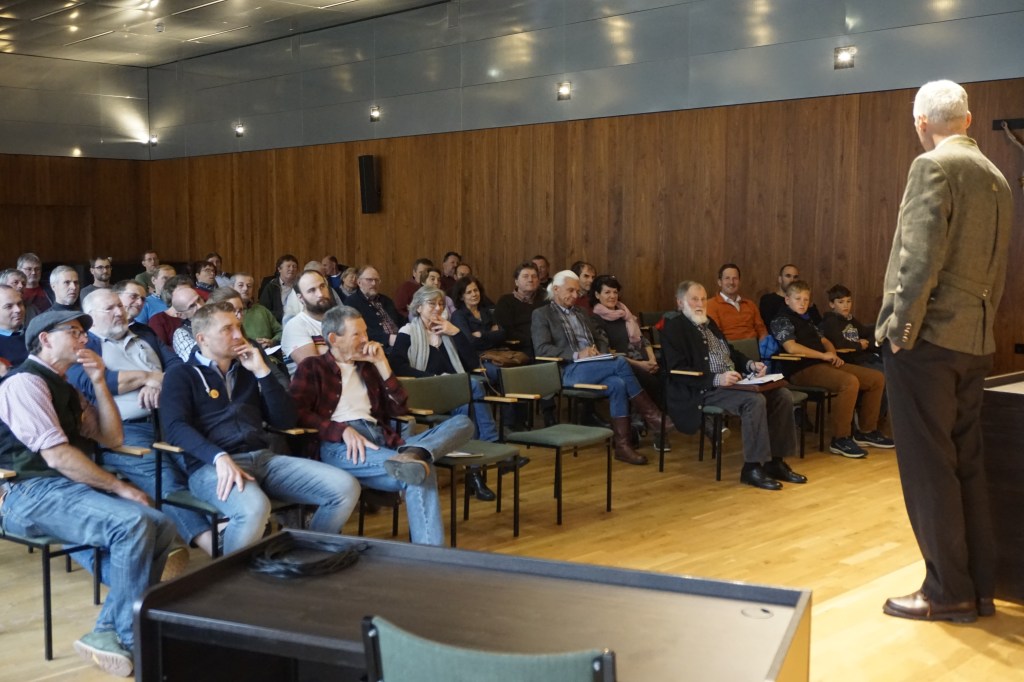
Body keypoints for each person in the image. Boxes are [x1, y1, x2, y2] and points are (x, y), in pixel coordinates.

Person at [877, 80, 1012, 623]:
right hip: (975, 343)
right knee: (966, 465)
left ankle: (945, 591)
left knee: (929, 468)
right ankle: (978, 589)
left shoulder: (931, 167)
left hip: (927, 343)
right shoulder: (996, 175)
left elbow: (918, 259)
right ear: (968, 120)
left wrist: (899, 331)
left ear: (921, 123)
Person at [0, 309, 175, 677]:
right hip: (24, 492)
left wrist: (99, 382)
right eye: (75, 332)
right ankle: (129, 635)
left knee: (160, 524)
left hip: (62, 487)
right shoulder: (24, 383)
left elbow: (111, 437)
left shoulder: (66, 386)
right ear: (45, 339)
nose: (84, 339)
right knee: (132, 525)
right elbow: (57, 456)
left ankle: (111, 630)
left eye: (83, 333)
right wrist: (119, 487)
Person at [159, 302, 361, 554]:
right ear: (202, 339)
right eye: (227, 329)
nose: (239, 335)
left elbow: (285, 421)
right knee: (254, 508)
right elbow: (175, 427)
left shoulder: (247, 371)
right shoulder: (181, 375)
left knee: (345, 487)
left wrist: (263, 373)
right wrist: (218, 457)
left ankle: (308, 557)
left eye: (239, 327)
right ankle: (234, 576)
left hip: (263, 459)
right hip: (211, 467)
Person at [291, 306, 475, 545]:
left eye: (365, 332)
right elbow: (297, 413)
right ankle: (431, 555)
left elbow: (399, 409)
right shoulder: (313, 367)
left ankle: (413, 454)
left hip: (383, 441)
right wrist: (340, 430)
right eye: (357, 334)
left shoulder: (368, 367)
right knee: (420, 472)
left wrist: (382, 364)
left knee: (463, 423)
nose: (365, 339)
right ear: (334, 339)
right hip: (342, 446)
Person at [71, 290, 214, 558]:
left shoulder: (144, 334)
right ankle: (216, 545)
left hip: (169, 421)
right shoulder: (85, 346)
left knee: (201, 466)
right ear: (90, 318)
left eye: (119, 305)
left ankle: (231, 527)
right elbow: (93, 383)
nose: (119, 311)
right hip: (122, 432)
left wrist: (157, 384)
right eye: (109, 308)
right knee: (166, 480)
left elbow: (177, 366)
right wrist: (148, 377)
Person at [662, 282, 806, 490]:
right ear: (680, 302)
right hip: (703, 389)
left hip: (733, 383)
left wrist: (750, 364)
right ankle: (752, 467)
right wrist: (716, 379)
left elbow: (730, 353)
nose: (700, 304)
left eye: (703, 299)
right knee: (754, 401)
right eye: (694, 299)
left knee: (782, 395)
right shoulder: (674, 328)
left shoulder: (708, 322)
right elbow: (676, 370)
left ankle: (776, 462)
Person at [532, 270, 673, 465]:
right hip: (567, 369)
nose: (575, 295)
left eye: (577, 291)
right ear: (556, 289)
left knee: (618, 384)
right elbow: (542, 349)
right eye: (570, 290)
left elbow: (600, 338)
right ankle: (653, 416)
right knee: (621, 362)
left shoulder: (581, 312)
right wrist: (577, 354)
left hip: (594, 364)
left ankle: (623, 446)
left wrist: (601, 353)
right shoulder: (542, 314)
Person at [391, 286, 500, 500]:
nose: (438, 308)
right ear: (418, 307)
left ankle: (475, 475)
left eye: (441, 304)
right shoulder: (408, 332)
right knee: (473, 387)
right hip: (426, 392)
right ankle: (491, 444)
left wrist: (455, 333)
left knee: (467, 403)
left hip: (453, 392)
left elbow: (472, 363)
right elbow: (397, 366)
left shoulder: (447, 331)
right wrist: (432, 378)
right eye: (432, 304)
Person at [769, 280, 892, 457]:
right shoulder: (781, 319)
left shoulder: (807, 318)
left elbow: (824, 340)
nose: (802, 303)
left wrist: (832, 354)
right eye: (798, 299)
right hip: (800, 369)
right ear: (787, 300)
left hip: (824, 363)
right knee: (849, 382)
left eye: (806, 299)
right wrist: (823, 355)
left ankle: (866, 431)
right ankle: (840, 439)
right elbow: (791, 347)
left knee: (877, 378)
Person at [588, 274, 663, 439]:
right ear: (597, 295)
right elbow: (607, 353)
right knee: (650, 380)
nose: (612, 296)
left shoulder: (625, 314)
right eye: (607, 292)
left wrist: (652, 359)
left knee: (665, 373)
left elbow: (644, 340)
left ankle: (648, 424)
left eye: (615, 292)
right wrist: (641, 365)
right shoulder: (595, 320)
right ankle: (656, 429)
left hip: (643, 359)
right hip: (622, 363)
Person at [281, 270, 334, 372]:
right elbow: (314, 369)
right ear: (300, 298)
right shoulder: (295, 326)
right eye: (311, 290)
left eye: (322, 286)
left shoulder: (340, 320)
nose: (320, 294)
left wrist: (324, 350)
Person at [819, 284, 882, 370]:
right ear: (832, 304)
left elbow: (864, 331)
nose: (846, 305)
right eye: (841, 302)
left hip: (862, 356)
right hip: (848, 360)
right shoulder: (831, 321)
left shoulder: (850, 319)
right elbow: (839, 343)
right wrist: (859, 345)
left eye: (848, 301)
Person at [493, 261, 546, 358]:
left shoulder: (545, 301)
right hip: (520, 348)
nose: (530, 280)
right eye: (525, 276)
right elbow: (506, 331)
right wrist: (533, 340)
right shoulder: (505, 301)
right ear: (516, 281)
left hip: (546, 346)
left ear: (538, 281)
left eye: (534, 276)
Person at [707, 263, 769, 342]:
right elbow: (715, 335)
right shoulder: (711, 305)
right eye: (727, 278)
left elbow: (761, 330)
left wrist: (764, 345)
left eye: (735, 278)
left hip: (753, 347)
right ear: (719, 282)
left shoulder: (750, 305)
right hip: (728, 347)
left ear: (739, 281)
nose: (731, 282)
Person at [345, 265, 402, 350]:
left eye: (376, 280)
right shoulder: (351, 303)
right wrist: (389, 339)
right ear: (359, 282)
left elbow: (400, 320)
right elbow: (357, 331)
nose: (374, 283)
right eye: (369, 280)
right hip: (378, 348)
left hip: (400, 342)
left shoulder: (386, 300)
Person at [232, 272, 282, 349]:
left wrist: (272, 342)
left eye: (249, 286)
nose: (245, 288)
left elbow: (280, 331)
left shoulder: (262, 310)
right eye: (241, 285)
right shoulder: (226, 313)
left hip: (267, 353)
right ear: (232, 288)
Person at [258, 253, 299, 322]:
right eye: (288, 266)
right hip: (277, 323)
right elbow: (264, 310)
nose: (291, 269)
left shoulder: (300, 286)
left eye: (294, 266)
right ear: (279, 269)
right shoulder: (271, 286)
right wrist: (282, 315)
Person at [170, 285, 205, 361]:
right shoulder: (181, 334)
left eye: (199, 299)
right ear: (181, 315)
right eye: (192, 306)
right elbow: (196, 360)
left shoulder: (217, 316)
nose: (200, 306)